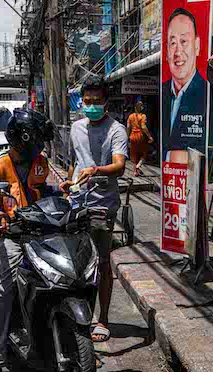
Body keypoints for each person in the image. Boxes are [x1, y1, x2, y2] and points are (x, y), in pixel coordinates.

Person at [0, 108, 55, 372]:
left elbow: (45, 191)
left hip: (41, 232)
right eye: (37, 141)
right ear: (22, 139)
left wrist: (63, 191)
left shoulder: (40, 161)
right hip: (11, 234)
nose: (41, 147)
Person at [58, 76, 128, 343]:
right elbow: (75, 162)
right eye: (87, 101)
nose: (92, 106)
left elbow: (119, 166)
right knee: (75, 264)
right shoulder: (76, 128)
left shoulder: (116, 130)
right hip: (77, 204)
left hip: (103, 205)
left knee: (101, 263)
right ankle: (79, 314)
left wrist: (96, 170)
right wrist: (69, 181)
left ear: (106, 102)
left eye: (97, 101)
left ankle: (103, 318)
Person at [161, 7, 208, 165]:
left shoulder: (210, 95)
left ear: (197, 45)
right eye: (173, 43)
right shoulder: (161, 95)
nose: (178, 52)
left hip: (197, 181)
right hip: (168, 182)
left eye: (184, 41)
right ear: (167, 51)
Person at [127, 101, 154, 176]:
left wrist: (127, 136)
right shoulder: (143, 116)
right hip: (140, 136)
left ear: (135, 108)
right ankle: (138, 165)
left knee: (134, 153)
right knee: (143, 153)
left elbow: (128, 127)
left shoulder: (130, 116)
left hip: (132, 136)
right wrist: (149, 136)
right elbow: (143, 127)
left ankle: (135, 171)